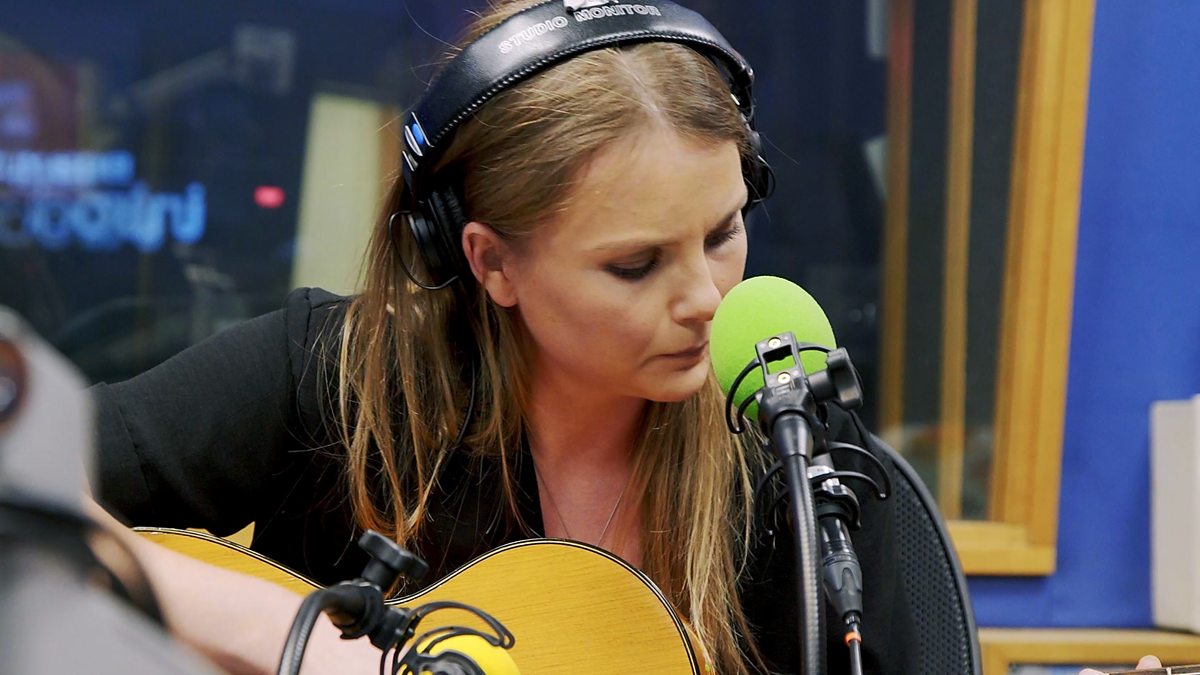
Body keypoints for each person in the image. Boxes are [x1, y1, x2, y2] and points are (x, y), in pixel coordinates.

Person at [88, 0, 918, 673]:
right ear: (490, 262)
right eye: (635, 264)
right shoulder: (328, 376)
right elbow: (30, 478)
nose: (706, 297)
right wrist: (288, 634)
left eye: (724, 232)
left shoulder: (795, 448)